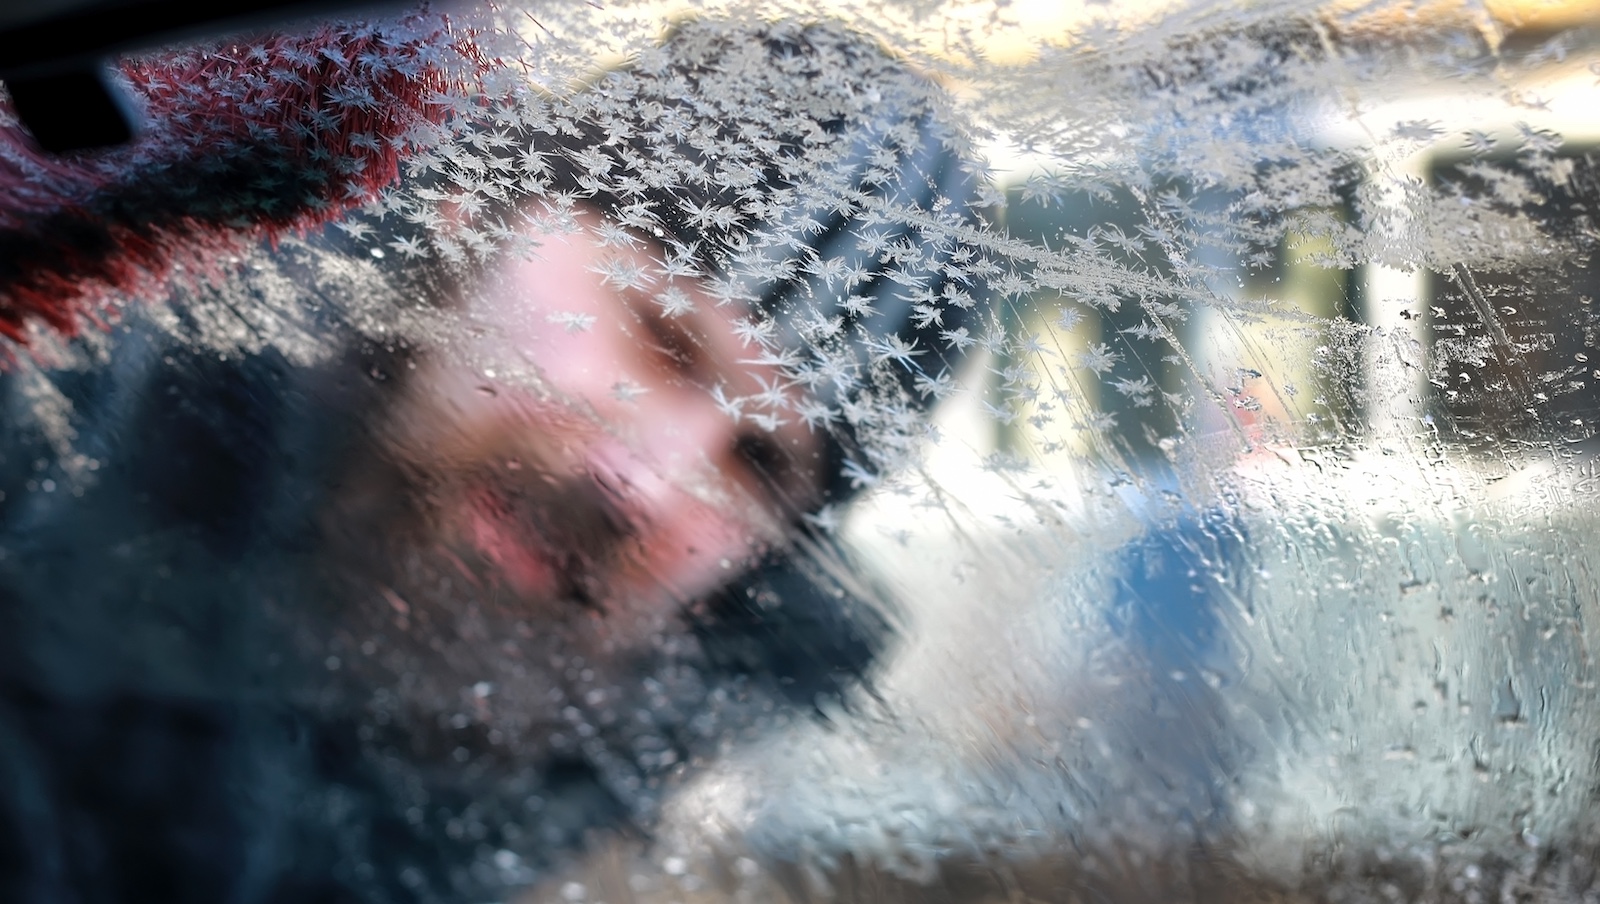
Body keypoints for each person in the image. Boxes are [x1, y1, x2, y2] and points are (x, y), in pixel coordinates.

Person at [0, 16, 991, 904]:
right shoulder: (75, 361)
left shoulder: (608, 745)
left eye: (757, 465)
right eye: (662, 340)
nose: (643, 483)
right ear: (473, 217)